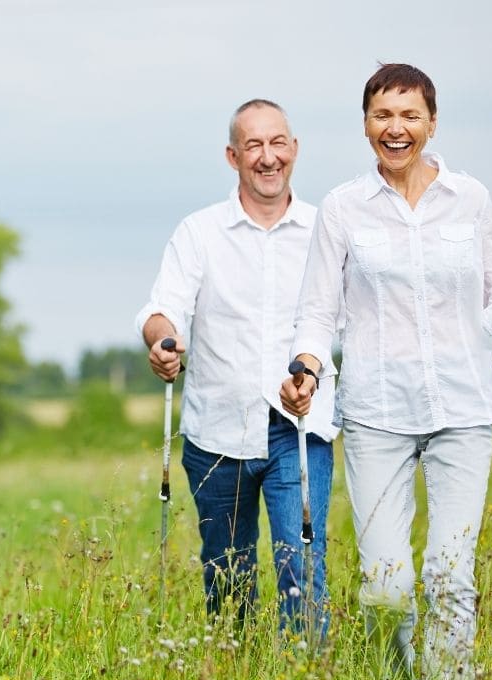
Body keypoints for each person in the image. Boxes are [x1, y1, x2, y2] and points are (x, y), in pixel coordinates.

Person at [279, 63, 492, 680]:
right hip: (377, 413)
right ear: (365, 124)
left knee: (450, 576)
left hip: (462, 406)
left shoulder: (470, 198)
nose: (396, 129)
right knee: (386, 584)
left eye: (409, 116)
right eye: (382, 116)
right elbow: (315, 310)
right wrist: (306, 368)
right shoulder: (342, 209)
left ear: (431, 122)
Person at [136, 99, 338, 635]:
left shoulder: (326, 229)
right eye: (254, 145)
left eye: (277, 144)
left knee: (301, 564)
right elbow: (163, 311)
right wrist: (164, 343)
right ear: (233, 156)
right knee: (228, 573)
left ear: (294, 150)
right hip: (217, 429)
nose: (267, 157)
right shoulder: (198, 232)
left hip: (299, 426)